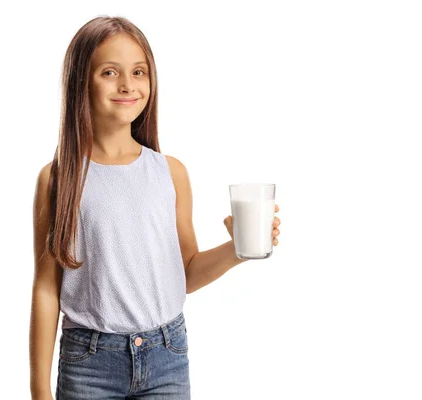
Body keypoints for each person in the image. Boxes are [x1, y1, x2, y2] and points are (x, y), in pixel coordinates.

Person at [29, 16, 282, 400]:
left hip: (167, 357)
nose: (128, 85)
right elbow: (47, 288)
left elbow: (187, 273)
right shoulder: (59, 179)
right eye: (110, 72)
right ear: (81, 80)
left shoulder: (170, 173)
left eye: (139, 72)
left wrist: (237, 250)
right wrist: (38, 390)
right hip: (89, 363)